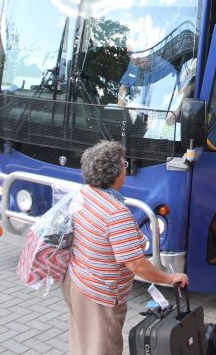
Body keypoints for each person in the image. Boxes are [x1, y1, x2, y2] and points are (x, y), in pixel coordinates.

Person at [62, 141, 188, 354]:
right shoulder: (115, 213)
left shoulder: (85, 194)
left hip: (77, 281)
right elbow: (136, 264)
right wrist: (170, 278)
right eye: (124, 163)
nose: (126, 167)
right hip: (100, 295)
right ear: (114, 172)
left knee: (82, 345)